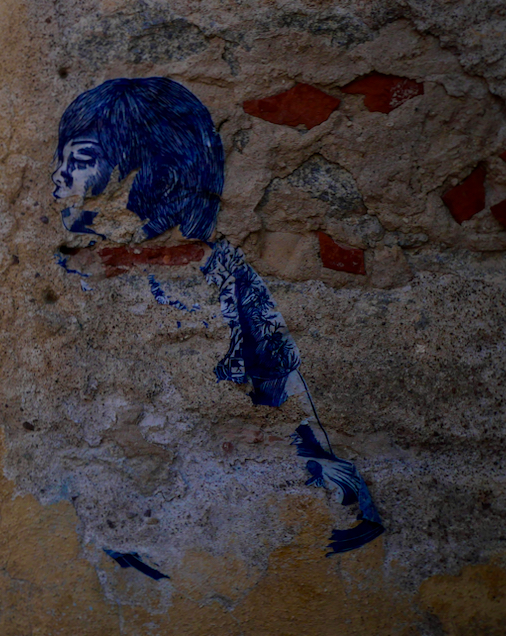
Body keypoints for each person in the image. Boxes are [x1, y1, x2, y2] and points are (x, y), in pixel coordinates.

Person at [52, 77, 383, 558]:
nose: (58, 180)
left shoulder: (223, 277)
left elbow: (286, 400)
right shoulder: (78, 277)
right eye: (62, 160)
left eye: (81, 161)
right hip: (124, 516)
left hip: (212, 526)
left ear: (156, 173)